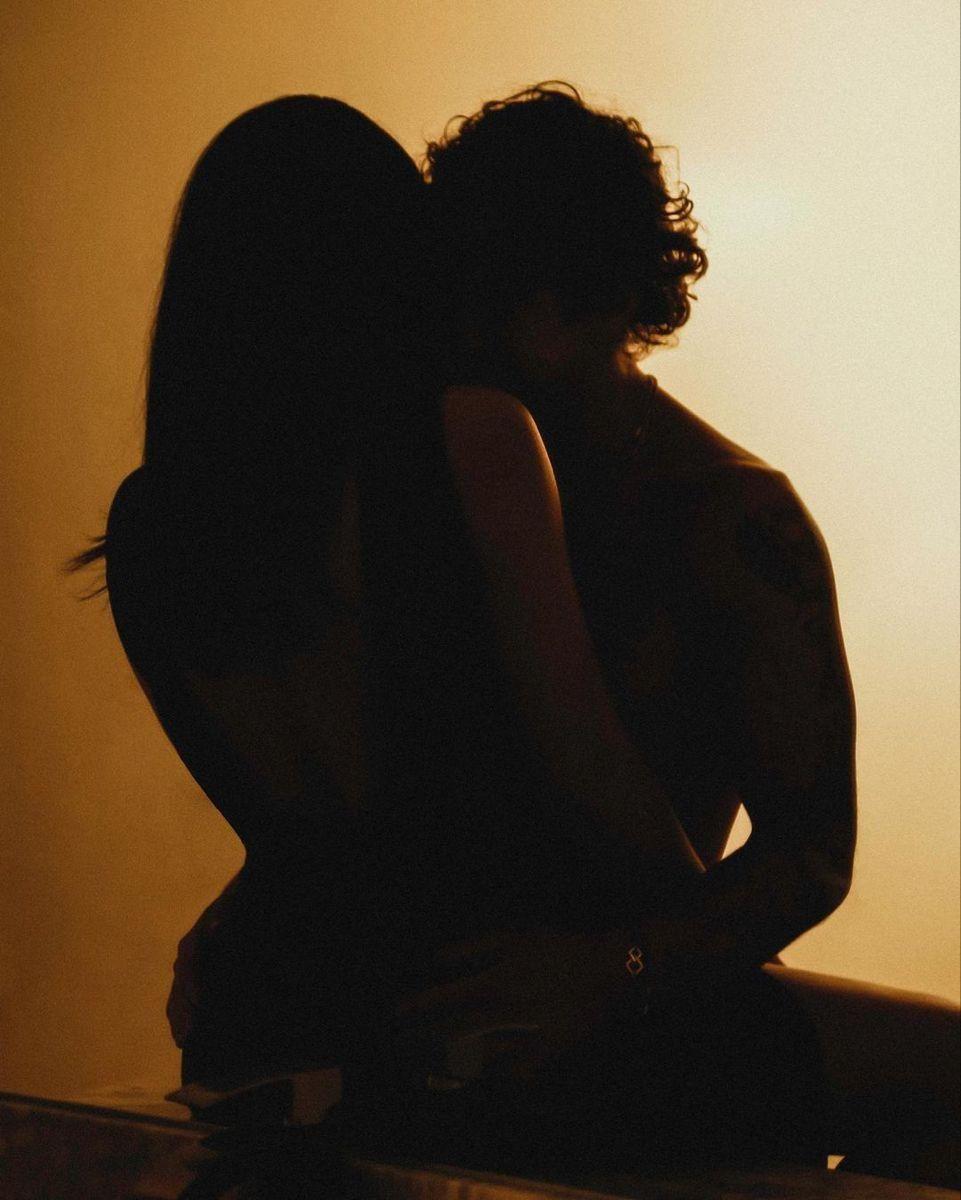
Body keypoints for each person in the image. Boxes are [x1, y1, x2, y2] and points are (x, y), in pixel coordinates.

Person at [68, 94, 733, 1192]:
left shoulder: (149, 524)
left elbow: (305, 826)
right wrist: (706, 937)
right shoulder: (470, 436)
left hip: (262, 1007)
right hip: (476, 1016)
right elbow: (586, 759)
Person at [410, 81, 959, 1189]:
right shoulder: (429, 475)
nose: (485, 330)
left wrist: (613, 966)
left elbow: (811, 857)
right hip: (504, 1008)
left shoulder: (729, 515)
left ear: (613, 295)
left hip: (615, 993)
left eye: (524, 291)